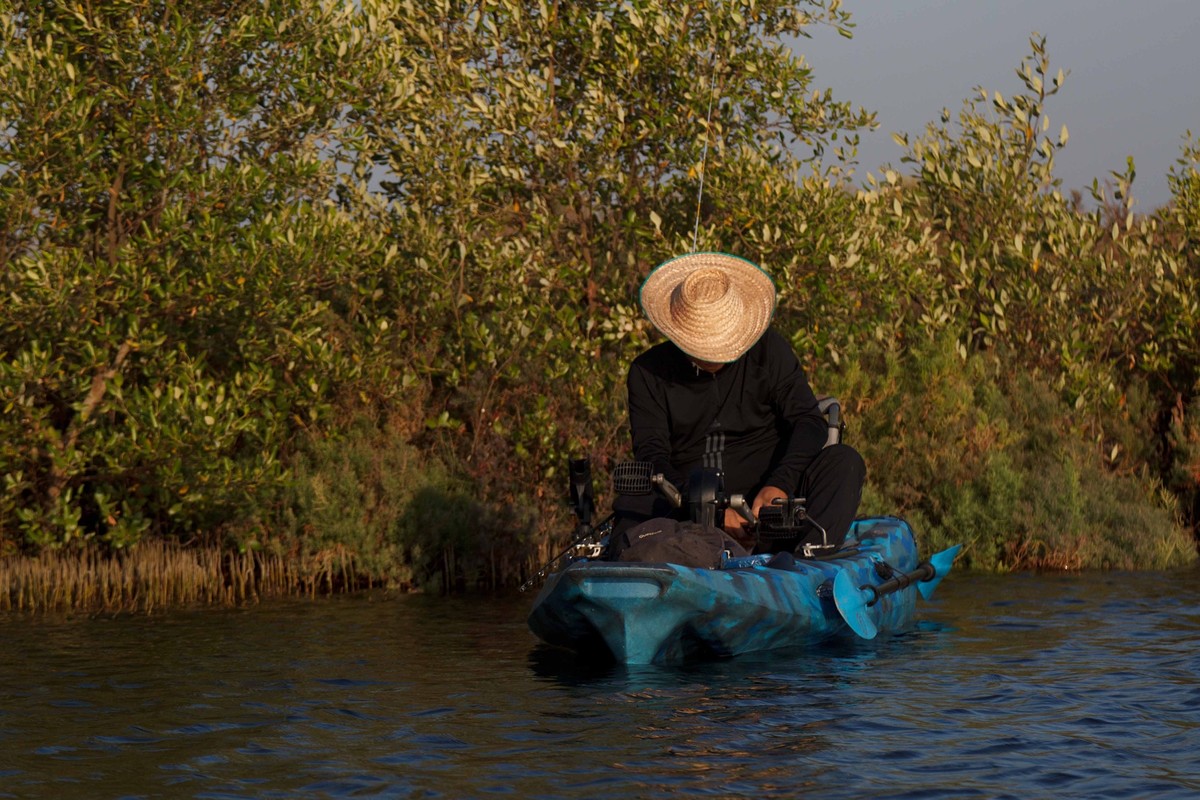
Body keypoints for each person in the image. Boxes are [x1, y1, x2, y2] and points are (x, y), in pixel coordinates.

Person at [611, 251, 865, 557]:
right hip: (688, 512)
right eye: (701, 345)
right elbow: (653, 455)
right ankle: (654, 566)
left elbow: (809, 422)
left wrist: (778, 486)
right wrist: (714, 514)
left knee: (845, 462)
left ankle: (805, 564)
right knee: (633, 500)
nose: (712, 354)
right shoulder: (646, 372)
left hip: (772, 510)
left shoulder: (770, 350)